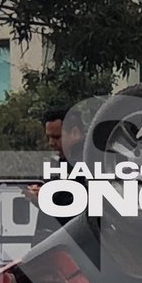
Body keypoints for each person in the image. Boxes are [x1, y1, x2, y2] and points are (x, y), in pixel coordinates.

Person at [28, 106, 87, 247]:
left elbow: (83, 211)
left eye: (56, 137)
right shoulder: (58, 164)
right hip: (52, 246)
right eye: (48, 137)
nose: (51, 143)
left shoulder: (89, 164)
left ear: (75, 133)